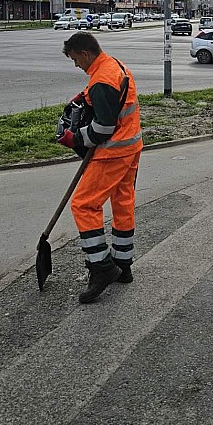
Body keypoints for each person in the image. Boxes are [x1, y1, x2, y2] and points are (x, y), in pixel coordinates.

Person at [57, 31, 142, 304]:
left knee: (83, 205)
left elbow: (104, 127)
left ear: (85, 53)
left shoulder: (101, 80)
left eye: (75, 60)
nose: (76, 66)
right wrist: (83, 97)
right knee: (122, 202)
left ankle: (102, 267)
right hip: (131, 147)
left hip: (112, 153)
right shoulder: (114, 65)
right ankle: (123, 265)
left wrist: (75, 138)